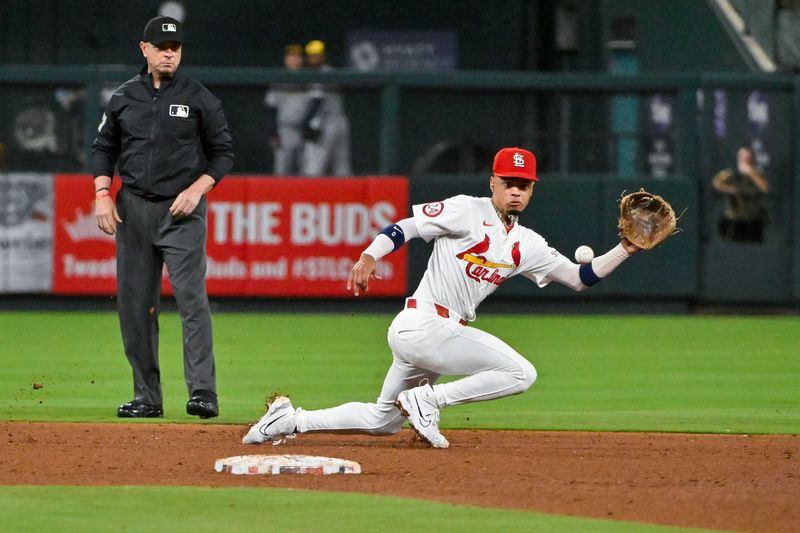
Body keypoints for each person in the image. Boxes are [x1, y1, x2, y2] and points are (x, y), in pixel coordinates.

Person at [242, 147, 640, 448]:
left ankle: (288, 421)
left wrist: (626, 249)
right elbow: (407, 227)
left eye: (524, 185)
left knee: (384, 421)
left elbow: (579, 277)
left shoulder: (526, 243)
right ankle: (429, 399)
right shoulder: (467, 210)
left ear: (532, 190)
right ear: (493, 183)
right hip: (424, 324)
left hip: (435, 335)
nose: (516, 192)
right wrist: (369, 255)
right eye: (508, 183)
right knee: (522, 373)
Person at [92, 16, 234, 419]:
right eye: (161, 46)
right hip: (133, 209)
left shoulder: (198, 97)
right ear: (145, 50)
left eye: (175, 47)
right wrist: (103, 194)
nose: (169, 52)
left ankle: (203, 393)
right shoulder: (123, 97)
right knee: (135, 306)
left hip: (181, 210)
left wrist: (197, 189)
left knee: (192, 301)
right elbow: (104, 148)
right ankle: (147, 397)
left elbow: (223, 152)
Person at [300, 40, 352, 176]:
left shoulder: (322, 73)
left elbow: (317, 100)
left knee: (316, 167)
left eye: (317, 55)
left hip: (326, 124)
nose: (314, 58)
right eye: (311, 55)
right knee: (341, 167)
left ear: (323, 56)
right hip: (340, 122)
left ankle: (312, 196)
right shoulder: (331, 72)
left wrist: (305, 123)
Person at [264, 44, 309, 175]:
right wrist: (272, 132)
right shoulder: (279, 79)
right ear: (286, 59)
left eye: (297, 56)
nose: (294, 60)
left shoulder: (308, 78)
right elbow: (271, 108)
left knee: (306, 171)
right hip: (284, 130)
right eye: (291, 56)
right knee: (282, 170)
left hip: (304, 131)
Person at [712, 146, 770, 242]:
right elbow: (716, 183)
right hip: (735, 220)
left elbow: (765, 188)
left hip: (753, 219)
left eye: (748, 158)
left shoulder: (757, 174)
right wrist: (731, 190)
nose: (745, 160)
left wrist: (751, 173)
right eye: (743, 158)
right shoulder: (729, 173)